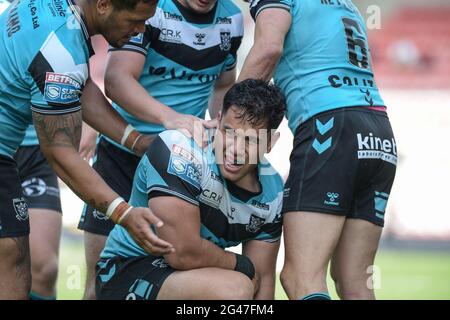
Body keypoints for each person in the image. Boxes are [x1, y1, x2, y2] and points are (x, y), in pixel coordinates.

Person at [0, 0, 174, 299]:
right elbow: (61, 153)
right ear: (104, 5)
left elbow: (80, 87)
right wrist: (124, 212)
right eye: (136, 20)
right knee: (13, 260)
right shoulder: (62, 51)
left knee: (14, 256)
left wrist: (136, 140)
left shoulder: (61, 13)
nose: (139, 31)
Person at [78, 0, 243, 299]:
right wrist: (170, 118)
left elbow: (222, 86)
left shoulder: (232, 18)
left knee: (173, 275)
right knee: (101, 281)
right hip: (122, 156)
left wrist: (224, 139)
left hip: (178, 169)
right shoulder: (148, 8)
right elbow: (116, 80)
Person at [239, 0, 397, 300]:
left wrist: (230, 116)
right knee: (355, 281)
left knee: (300, 276)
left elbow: (269, 49)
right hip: (378, 130)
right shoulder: (344, 3)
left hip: (331, 126)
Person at [96, 79, 285, 300]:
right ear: (217, 119)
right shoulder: (180, 149)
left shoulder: (274, 192)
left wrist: (248, 271)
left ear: (270, 142)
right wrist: (240, 264)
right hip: (129, 268)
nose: (236, 150)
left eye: (250, 141)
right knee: (235, 289)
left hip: (192, 276)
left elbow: (263, 281)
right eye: (229, 132)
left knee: (243, 286)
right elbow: (181, 253)